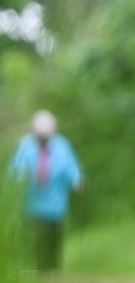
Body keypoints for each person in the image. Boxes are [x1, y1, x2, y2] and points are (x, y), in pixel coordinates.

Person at [7, 110, 84, 272]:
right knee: (32, 234)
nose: (42, 139)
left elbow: (72, 167)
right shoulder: (25, 146)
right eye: (39, 135)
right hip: (31, 200)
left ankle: (52, 268)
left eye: (46, 135)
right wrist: (22, 176)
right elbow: (14, 169)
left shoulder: (62, 146)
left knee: (52, 234)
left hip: (55, 201)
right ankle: (32, 267)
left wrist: (77, 181)